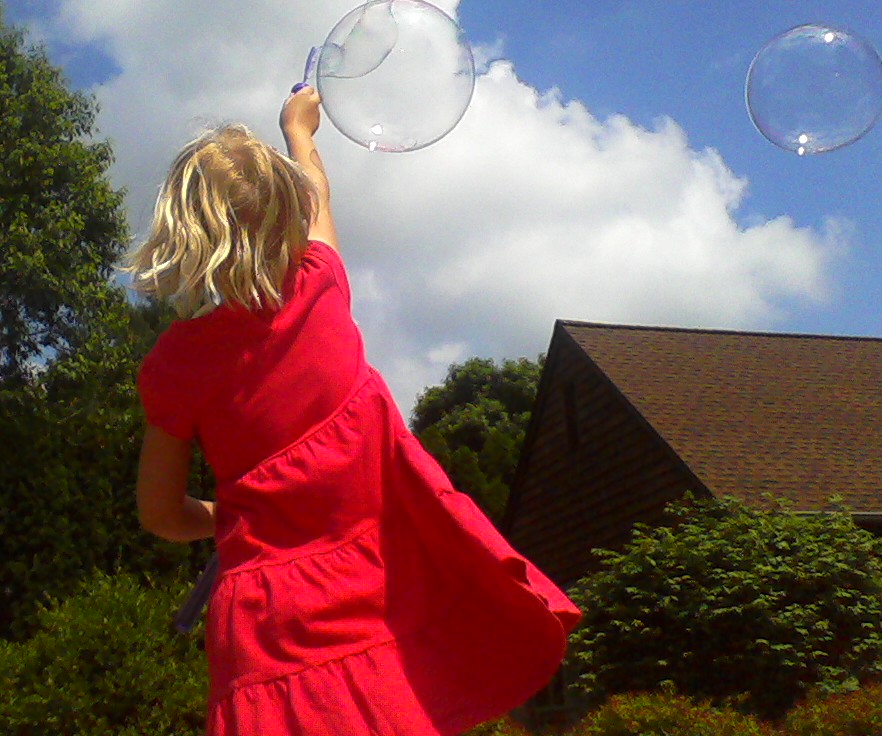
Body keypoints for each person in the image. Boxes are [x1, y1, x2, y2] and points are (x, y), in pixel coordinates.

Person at [130, 85, 581, 736]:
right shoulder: (321, 282)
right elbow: (319, 192)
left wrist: (232, 516)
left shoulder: (175, 365)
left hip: (265, 626)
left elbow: (160, 514)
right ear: (289, 215)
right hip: (377, 589)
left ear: (183, 232)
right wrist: (299, 131)